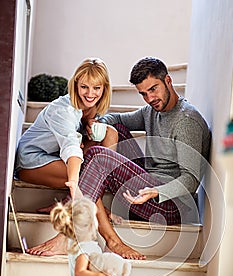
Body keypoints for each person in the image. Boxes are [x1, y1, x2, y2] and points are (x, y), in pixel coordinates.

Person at [26, 57, 211, 258]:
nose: (149, 98)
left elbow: (191, 181)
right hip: (142, 192)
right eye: (143, 94)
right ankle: (76, 201)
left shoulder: (186, 121)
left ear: (168, 81)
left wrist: (156, 191)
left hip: (168, 207)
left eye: (153, 89)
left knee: (98, 156)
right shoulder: (152, 110)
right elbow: (118, 119)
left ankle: (68, 233)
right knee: (115, 131)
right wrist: (95, 123)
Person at [15, 58, 143, 259]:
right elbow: (71, 148)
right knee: (89, 174)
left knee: (111, 133)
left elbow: (94, 143)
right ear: (75, 85)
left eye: (96, 88)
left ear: (104, 88)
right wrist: (74, 183)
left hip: (56, 158)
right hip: (33, 161)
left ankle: (70, 203)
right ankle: (110, 240)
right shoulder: (63, 110)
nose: (90, 93)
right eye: (84, 87)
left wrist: (91, 127)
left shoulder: (95, 109)